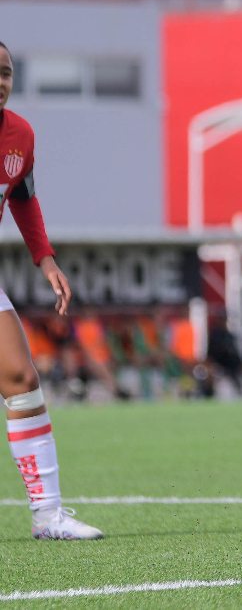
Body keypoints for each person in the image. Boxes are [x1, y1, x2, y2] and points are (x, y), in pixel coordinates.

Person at [0, 40, 103, 540]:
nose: (1, 82)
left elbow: (23, 197)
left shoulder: (20, 134)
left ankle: (48, 517)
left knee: (21, 379)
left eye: (6, 73)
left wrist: (45, 260)